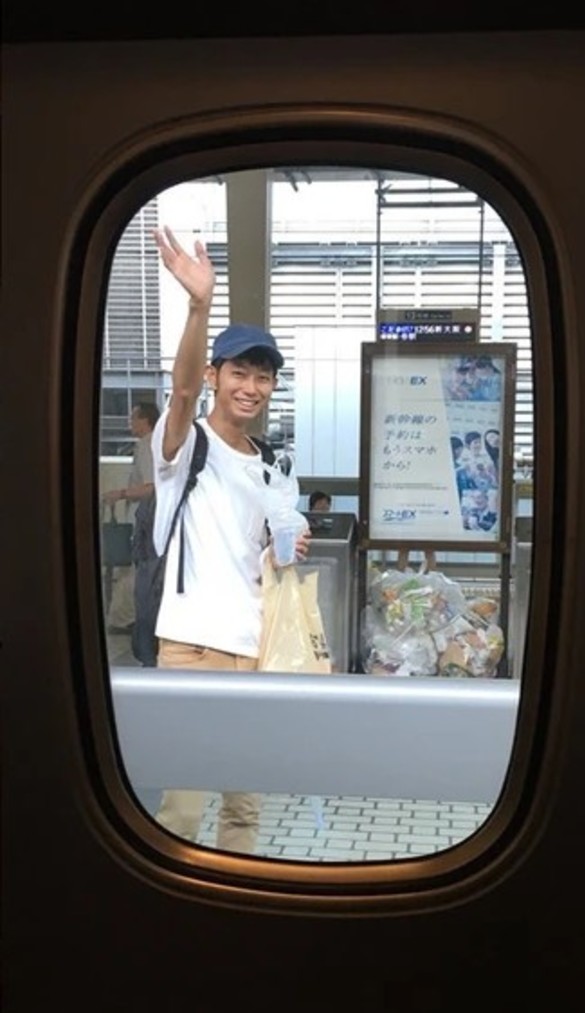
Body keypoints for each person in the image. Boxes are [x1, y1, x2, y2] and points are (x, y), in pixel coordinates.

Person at [150, 225, 311, 853]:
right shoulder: (184, 445)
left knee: (244, 813)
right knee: (182, 813)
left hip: (259, 647)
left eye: (263, 377)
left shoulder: (272, 461)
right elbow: (182, 390)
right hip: (193, 647)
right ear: (218, 374)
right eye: (239, 372)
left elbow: (268, 550)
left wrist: (283, 551)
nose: (251, 386)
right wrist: (198, 305)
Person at [102, 401, 160, 652]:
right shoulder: (153, 444)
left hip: (144, 519)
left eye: (133, 418)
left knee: (137, 568)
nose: (129, 423)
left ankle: (125, 619)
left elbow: (151, 486)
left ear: (145, 421)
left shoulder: (147, 445)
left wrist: (121, 493)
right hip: (147, 519)